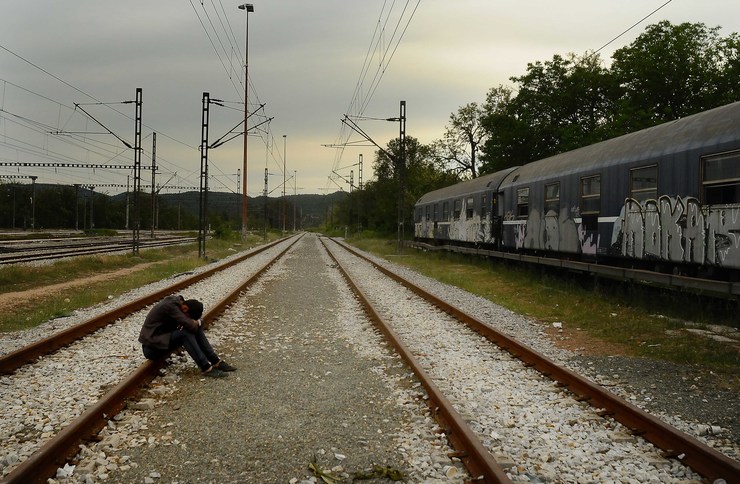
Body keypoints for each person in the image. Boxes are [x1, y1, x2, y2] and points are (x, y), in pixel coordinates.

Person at [139, 295, 236, 378]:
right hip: (151, 349)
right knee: (185, 333)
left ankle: (215, 361)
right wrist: (195, 323)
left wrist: (197, 322)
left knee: (192, 328)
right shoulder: (171, 307)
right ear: (185, 309)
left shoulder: (179, 304)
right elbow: (190, 325)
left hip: (162, 341)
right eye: (189, 317)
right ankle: (205, 367)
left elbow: (196, 324)